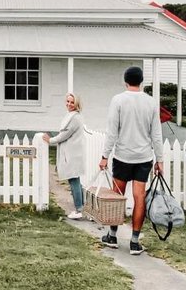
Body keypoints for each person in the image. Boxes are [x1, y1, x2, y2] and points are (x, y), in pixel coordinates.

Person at [98, 66, 163, 256]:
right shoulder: (151, 102)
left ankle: (112, 236)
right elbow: (156, 135)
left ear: (125, 80)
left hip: (122, 156)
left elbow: (112, 131)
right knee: (139, 197)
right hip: (144, 157)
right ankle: (134, 242)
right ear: (141, 81)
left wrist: (104, 156)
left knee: (117, 196)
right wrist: (160, 160)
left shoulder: (118, 100)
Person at [43, 93, 86, 219]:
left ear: (77, 104)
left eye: (72, 102)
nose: (69, 104)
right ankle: (81, 207)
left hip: (72, 153)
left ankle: (78, 210)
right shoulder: (72, 116)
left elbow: (64, 135)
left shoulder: (75, 118)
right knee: (75, 180)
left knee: (74, 180)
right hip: (73, 152)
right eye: (68, 101)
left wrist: (50, 140)